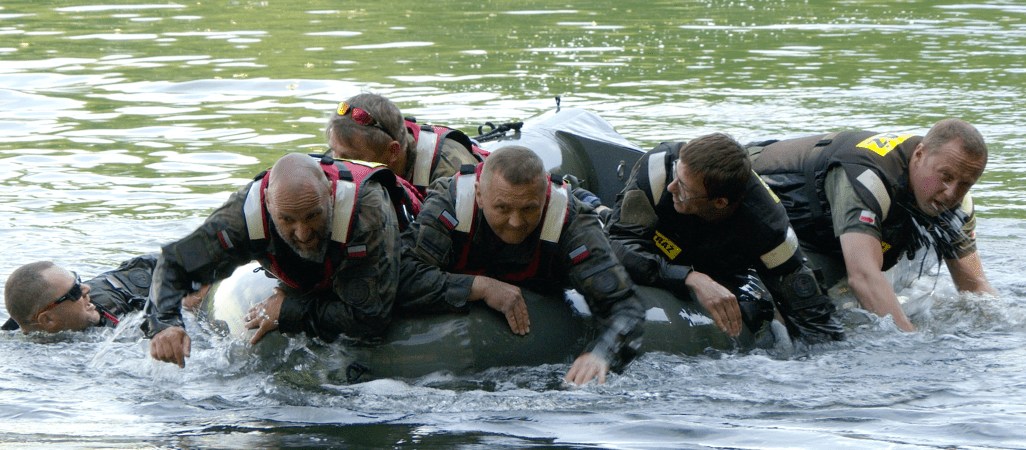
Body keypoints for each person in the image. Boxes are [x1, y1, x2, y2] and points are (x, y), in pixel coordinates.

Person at [398, 145, 646, 385]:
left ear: (544, 196)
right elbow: (403, 275)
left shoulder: (572, 220)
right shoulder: (451, 203)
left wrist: (601, 353)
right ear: (480, 194)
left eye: (529, 209)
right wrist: (480, 287)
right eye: (502, 208)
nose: (515, 222)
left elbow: (624, 306)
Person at [144, 153, 408, 368]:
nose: (303, 233)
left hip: (399, 255)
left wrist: (288, 311)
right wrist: (165, 324)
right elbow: (174, 263)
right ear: (268, 202)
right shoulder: (242, 215)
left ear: (330, 193)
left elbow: (371, 317)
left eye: (313, 215)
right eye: (287, 220)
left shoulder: (367, 209)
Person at [749, 119, 997, 332]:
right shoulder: (866, 178)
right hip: (751, 191)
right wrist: (911, 343)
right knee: (803, 297)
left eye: (965, 184)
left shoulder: (957, 205)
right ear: (919, 155)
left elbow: (974, 283)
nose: (951, 192)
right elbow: (864, 276)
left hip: (824, 231)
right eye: (946, 177)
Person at [604, 134, 844, 344]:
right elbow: (615, 246)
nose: (672, 188)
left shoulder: (768, 225)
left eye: (684, 189)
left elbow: (812, 316)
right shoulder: (658, 172)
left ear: (719, 202)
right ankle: (598, 210)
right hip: (656, 245)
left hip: (723, 264)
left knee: (758, 310)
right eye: (677, 175)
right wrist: (690, 278)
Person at [326, 93, 486, 198]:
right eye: (334, 152)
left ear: (393, 152)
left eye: (352, 159)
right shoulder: (340, 155)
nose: (338, 166)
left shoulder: (449, 172)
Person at [3, 255, 208, 333]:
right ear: (47, 320)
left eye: (79, 281)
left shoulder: (105, 302)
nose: (86, 290)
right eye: (74, 292)